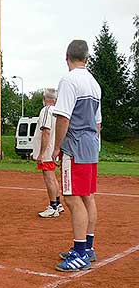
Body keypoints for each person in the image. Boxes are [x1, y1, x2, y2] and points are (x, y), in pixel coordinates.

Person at [52, 40, 102, 272]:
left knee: (72, 198)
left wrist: (56, 148)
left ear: (67, 56)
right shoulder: (94, 83)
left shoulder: (69, 81)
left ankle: (80, 253)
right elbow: (98, 123)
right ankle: (87, 247)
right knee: (87, 196)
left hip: (75, 146)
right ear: (87, 57)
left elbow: (63, 118)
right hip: (91, 146)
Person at [31, 88, 64, 218]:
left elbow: (46, 131)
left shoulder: (46, 110)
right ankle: (58, 204)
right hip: (53, 150)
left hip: (47, 151)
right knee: (53, 177)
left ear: (45, 99)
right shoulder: (57, 112)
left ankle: (53, 207)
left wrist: (41, 153)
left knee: (49, 177)